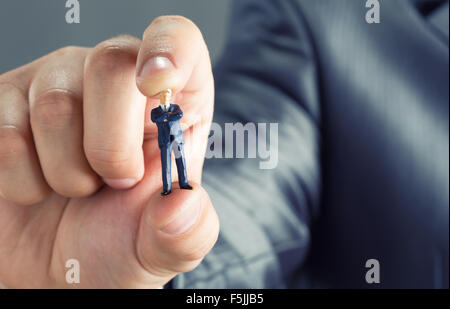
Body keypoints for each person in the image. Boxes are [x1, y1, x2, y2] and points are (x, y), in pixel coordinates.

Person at [0, 0, 448, 289]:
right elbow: (240, 199)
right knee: (176, 176)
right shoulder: (328, 23)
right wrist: (126, 243)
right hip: (169, 156)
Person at [151, 89, 192, 195]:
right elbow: (155, 118)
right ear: (160, 97)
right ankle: (167, 188)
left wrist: (164, 118)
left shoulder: (176, 108)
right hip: (165, 142)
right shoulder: (155, 111)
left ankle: (184, 183)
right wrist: (168, 117)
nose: (165, 98)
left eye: (167, 95)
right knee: (166, 165)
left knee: (181, 162)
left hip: (176, 140)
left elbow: (178, 115)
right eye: (163, 95)